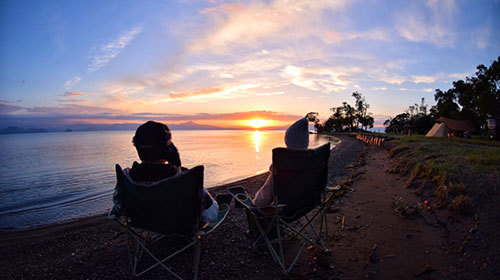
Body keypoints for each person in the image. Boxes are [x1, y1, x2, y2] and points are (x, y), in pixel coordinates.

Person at [113, 121, 218, 223]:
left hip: (144, 225)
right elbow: (212, 215)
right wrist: (177, 165)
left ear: (137, 148)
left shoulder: (126, 178)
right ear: (168, 149)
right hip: (179, 228)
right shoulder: (185, 179)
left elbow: (118, 206)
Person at [252, 117, 309, 207]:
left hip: (285, 210)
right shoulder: (312, 160)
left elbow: (263, 199)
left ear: (287, 140)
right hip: (307, 204)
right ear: (306, 141)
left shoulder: (282, 164)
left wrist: (255, 202)